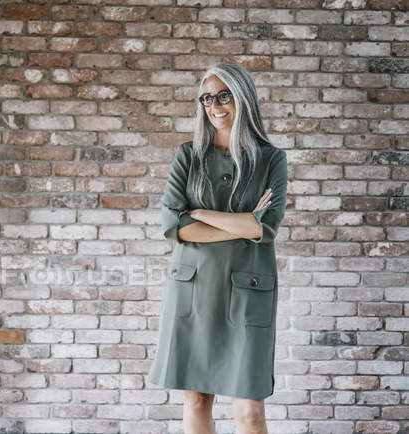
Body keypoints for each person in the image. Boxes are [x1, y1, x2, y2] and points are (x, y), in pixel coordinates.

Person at [147, 61, 289, 434]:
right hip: (193, 291)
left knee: (250, 410)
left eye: (224, 96)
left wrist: (201, 213)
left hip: (247, 292)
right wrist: (243, 225)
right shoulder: (187, 156)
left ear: (243, 97)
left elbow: (266, 228)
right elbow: (174, 227)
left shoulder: (271, 159)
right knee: (196, 400)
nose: (215, 106)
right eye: (207, 98)